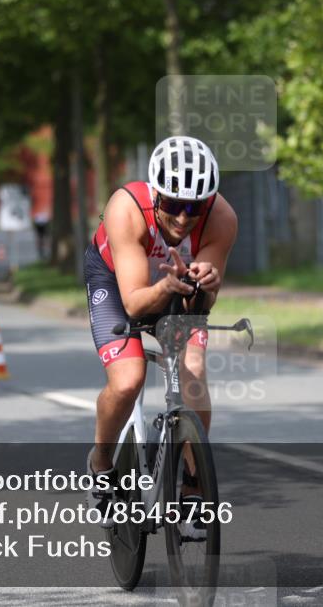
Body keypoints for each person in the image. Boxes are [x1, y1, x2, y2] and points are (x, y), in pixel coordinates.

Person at [84, 135, 237, 526]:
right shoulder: (126, 208)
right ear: (155, 195)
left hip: (175, 286)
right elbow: (134, 303)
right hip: (118, 284)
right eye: (172, 205)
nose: (184, 218)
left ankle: (191, 485)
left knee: (194, 373)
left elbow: (199, 309)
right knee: (128, 379)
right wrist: (165, 286)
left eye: (195, 208)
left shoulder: (222, 219)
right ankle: (101, 464)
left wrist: (206, 285)